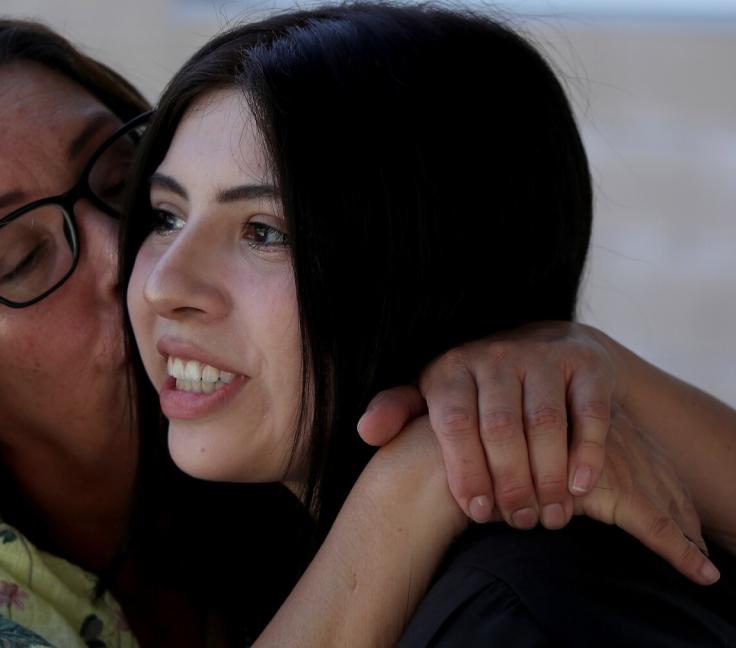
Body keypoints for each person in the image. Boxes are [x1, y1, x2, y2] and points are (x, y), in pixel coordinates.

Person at [0, 12, 728, 648]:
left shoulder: (510, 598)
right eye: (23, 260)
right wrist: (414, 479)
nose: (143, 274)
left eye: (126, 191)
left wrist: (588, 367)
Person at [121, 3, 736, 645]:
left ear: (432, 271)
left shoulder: (520, 622)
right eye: (166, 216)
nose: (165, 285)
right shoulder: (276, 557)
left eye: (265, 231)